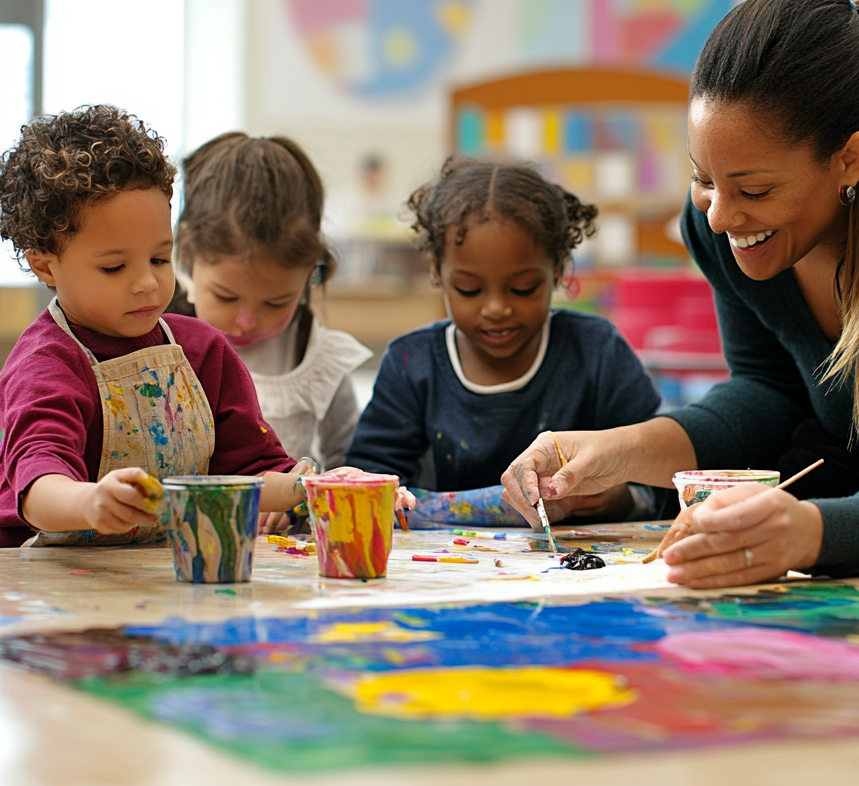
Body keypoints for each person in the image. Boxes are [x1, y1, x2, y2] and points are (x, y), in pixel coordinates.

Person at [502, 0, 859, 585]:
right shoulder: (718, 229)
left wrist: (804, 533)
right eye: (704, 179)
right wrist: (616, 453)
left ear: (850, 159)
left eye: (754, 191)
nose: (720, 217)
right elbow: (770, 396)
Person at [0, 107, 308, 546]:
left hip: (167, 571)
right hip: (57, 581)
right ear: (45, 265)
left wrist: (310, 486)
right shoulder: (46, 363)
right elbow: (37, 487)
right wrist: (89, 503)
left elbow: (251, 472)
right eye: (114, 267)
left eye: (159, 259)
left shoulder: (201, 350)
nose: (147, 282)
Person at [345, 157, 666, 523]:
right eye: (469, 289)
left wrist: (622, 499)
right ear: (436, 269)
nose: (496, 309)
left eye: (522, 288)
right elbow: (366, 481)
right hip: (443, 571)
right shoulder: (412, 363)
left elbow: (661, 472)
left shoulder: (596, 352)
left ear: (558, 268)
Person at [167, 133, 371, 470]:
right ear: (187, 256)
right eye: (226, 296)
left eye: (276, 302)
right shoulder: (158, 344)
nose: (246, 320)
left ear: (310, 274)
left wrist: (305, 484)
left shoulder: (316, 358)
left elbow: (350, 461)